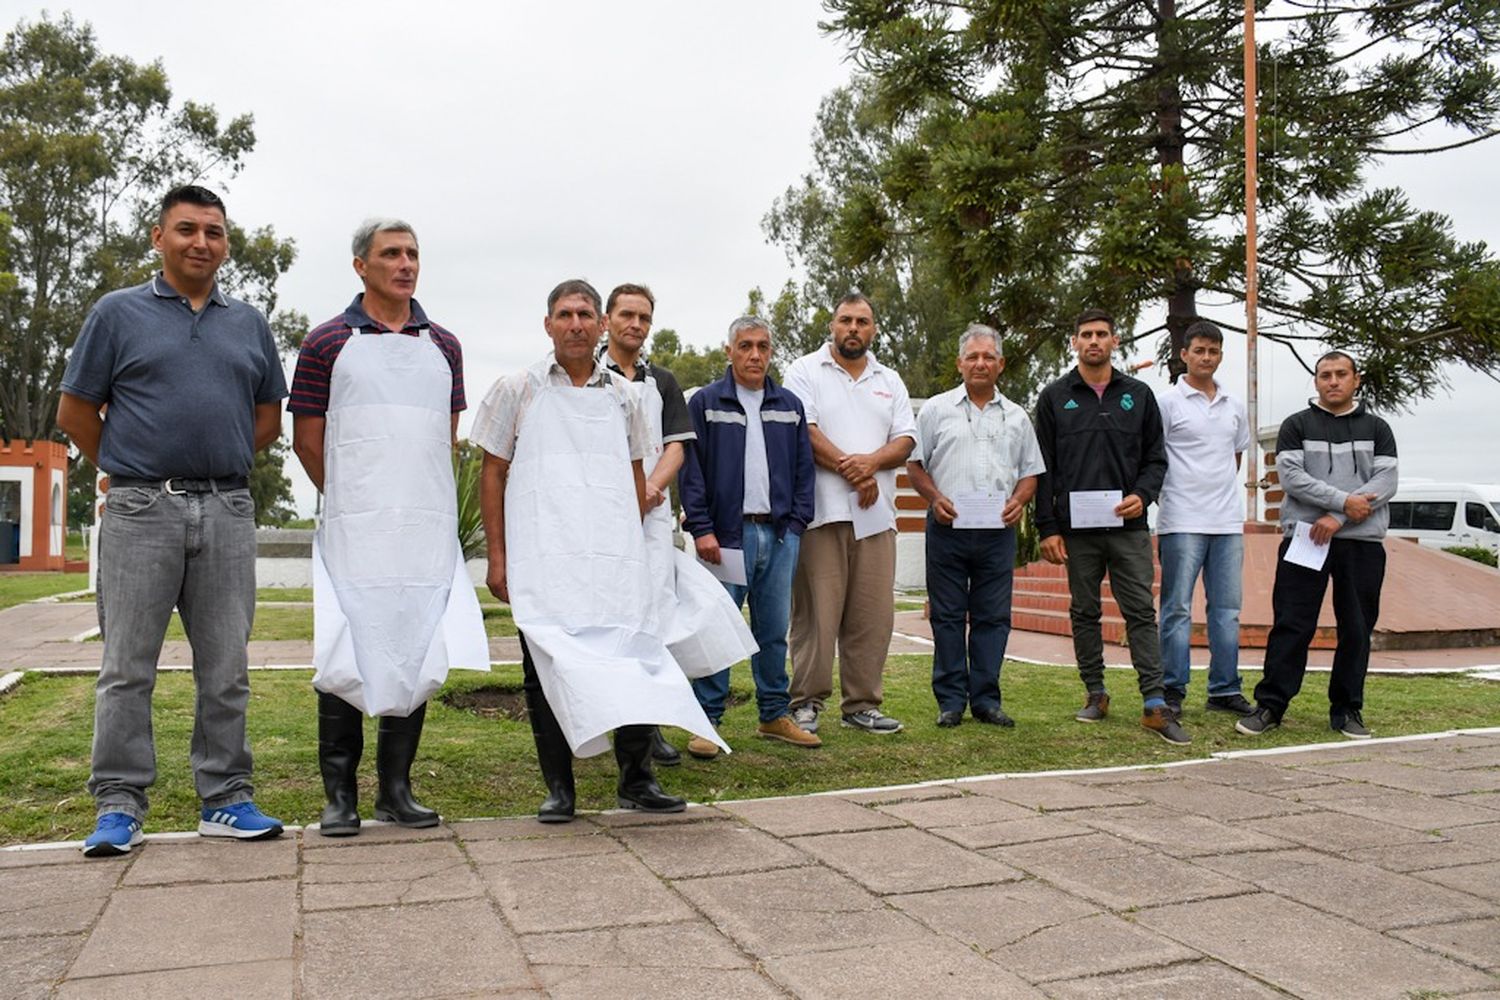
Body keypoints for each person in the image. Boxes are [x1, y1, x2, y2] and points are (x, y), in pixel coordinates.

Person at [56, 185, 287, 856]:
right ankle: (120, 806)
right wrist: (130, 467)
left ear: (225, 244)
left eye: (213, 232)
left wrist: (219, 458)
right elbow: (75, 412)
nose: (201, 242)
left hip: (226, 508)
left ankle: (225, 798)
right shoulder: (117, 314)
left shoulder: (247, 323)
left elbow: (268, 417)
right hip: (138, 511)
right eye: (186, 229)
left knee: (227, 666)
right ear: (158, 238)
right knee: (127, 667)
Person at [472, 279, 724, 822]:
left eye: (586, 314)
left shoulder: (627, 397)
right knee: (544, 667)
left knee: (630, 655)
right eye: (565, 314)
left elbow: (635, 479)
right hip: (542, 558)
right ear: (548, 325)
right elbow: (492, 474)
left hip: (611, 559)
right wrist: (498, 557)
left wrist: (638, 553)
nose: (577, 324)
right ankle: (559, 789)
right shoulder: (517, 389)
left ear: (600, 324)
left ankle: (637, 780)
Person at [290, 219, 489, 837]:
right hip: (356, 528)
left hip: (424, 529)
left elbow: (445, 440)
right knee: (347, 646)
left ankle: (396, 790)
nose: (405, 264)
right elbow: (307, 439)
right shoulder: (326, 342)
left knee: (417, 640)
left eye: (412, 254)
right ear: (360, 265)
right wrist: (357, 498)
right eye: (391, 254)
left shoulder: (446, 346)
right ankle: (340, 795)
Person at [598, 284, 755, 767]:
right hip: (597, 517)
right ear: (607, 320)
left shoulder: (662, 381)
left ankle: (650, 729)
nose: (636, 325)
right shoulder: (588, 375)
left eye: (644, 317)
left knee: (655, 621)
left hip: (648, 520)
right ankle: (608, 723)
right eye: (627, 315)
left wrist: (648, 493)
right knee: (606, 624)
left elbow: (676, 446)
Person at [1034, 308, 1190, 745]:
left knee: (1140, 611)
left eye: (1102, 333)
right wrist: (1048, 527)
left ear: (1114, 341)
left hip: (1128, 527)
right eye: (1085, 334)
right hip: (1077, 532)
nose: (1094, 341)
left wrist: (1143, 494)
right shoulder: (1054, 397)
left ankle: (1154, 702)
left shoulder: (1138, 395)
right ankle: (1095, 692)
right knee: (1084, 612)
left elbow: (1156, 458)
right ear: (1074, 342)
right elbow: (1041, 466)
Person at [1237, 350, 1398, 739]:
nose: (1333, 381)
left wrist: (1337, 517)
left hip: (1361, 543)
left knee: (1357, 627)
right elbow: (1292, 480)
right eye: (1325, 375)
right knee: (1292, 623)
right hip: (1306, 538)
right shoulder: (1297, 426)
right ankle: (1271, 706)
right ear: (1316, 382)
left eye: (1341, 374)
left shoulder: (1378, 428)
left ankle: (1347, 710)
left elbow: (1385, 484)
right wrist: (1343, 502)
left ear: (1356, 379)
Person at [679, 316, 820, 757]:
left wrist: (796, 525)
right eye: (745, 346)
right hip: (724, 537)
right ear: (730, 351)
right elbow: (691, 471)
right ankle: (707, 721)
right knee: (717, 629)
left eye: (762, 346)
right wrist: (701, 528)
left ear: (771, 351)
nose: (754, 354)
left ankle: (773, 715)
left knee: (774, 630)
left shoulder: (790, 406)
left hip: (778, 536)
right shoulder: (705, 403)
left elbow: (804, 470)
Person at [783, 293, 917, 735]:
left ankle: (862, 705)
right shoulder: (805, 371)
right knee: (816, 616)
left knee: (871, 616)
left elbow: (905, 440)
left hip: (877, 518)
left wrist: (871, 466)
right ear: (832, 325)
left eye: (862, 321)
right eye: (845, 320)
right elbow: (805, 430)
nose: (853, 328)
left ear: (873, 329)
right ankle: (806, 703)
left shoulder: (889, 379)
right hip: (822, 514)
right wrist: (855, 470)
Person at [907, 324, 1044, 728]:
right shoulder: (934, 410)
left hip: (997, 533)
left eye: (988, 357)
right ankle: (950, 701)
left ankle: (986, 700)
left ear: (1000, 364)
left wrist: (1019, 501)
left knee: (993, 617)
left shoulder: (1018, 416)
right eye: (973, 357)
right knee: (947, 616)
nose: (980, 363)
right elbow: (915, 466)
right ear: (959, 363)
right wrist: (935, 499)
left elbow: (1031, 472)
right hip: (947, 529)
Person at [1156, 319, 1254, 719]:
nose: (1206, 357)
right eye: (1199, 350)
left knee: (1227, 611)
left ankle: (1224, 689)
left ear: (1220, 355)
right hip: (1181, 520)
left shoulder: (1234, 406)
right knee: (1177, 609)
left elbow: (1235, 457)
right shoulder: (1167, 403)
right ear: (1184, 355)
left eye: (1213, 351)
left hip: (1227, 523)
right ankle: (1173, 689)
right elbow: (1153, 458)